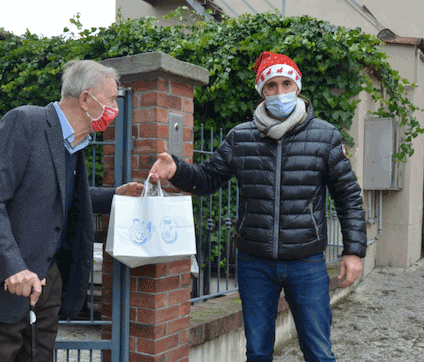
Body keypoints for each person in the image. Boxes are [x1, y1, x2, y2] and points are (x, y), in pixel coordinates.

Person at [149, 51, 367, 362]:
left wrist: (353, 251)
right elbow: (209, 179)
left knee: (319, 351)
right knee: (257, 352)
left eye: (286, 84)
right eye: (272, 86)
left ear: (297, 87)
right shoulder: (241, 137)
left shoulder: (325, 136)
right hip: (255, 264)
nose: (280, 93)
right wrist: (177, 170)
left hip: (306, 262)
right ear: (262, 92)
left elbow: (348, 196)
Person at [0, 59, 144, 361]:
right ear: (86, 99)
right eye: (112, 98)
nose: (115, 107)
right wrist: (12, 267)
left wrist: (114, 196)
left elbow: (54, 192)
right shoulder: (25, 122)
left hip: (44, 286)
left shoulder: (74, 144)